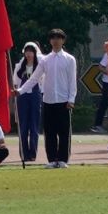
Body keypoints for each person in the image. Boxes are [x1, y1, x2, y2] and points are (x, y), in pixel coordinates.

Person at [35, 31, 81, 167]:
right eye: (53, 38)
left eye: (59, 38)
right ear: (50, 41)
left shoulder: (69, 59)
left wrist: (71, 99)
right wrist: (21, 90)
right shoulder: (45, 60)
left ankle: (62, 159)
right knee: (49, 132)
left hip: (63, 101)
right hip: (48, 100)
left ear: (63, 41)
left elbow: (72, 81)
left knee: (64, 132)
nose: (56, 41)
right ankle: (51, 159)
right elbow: (34, 77)